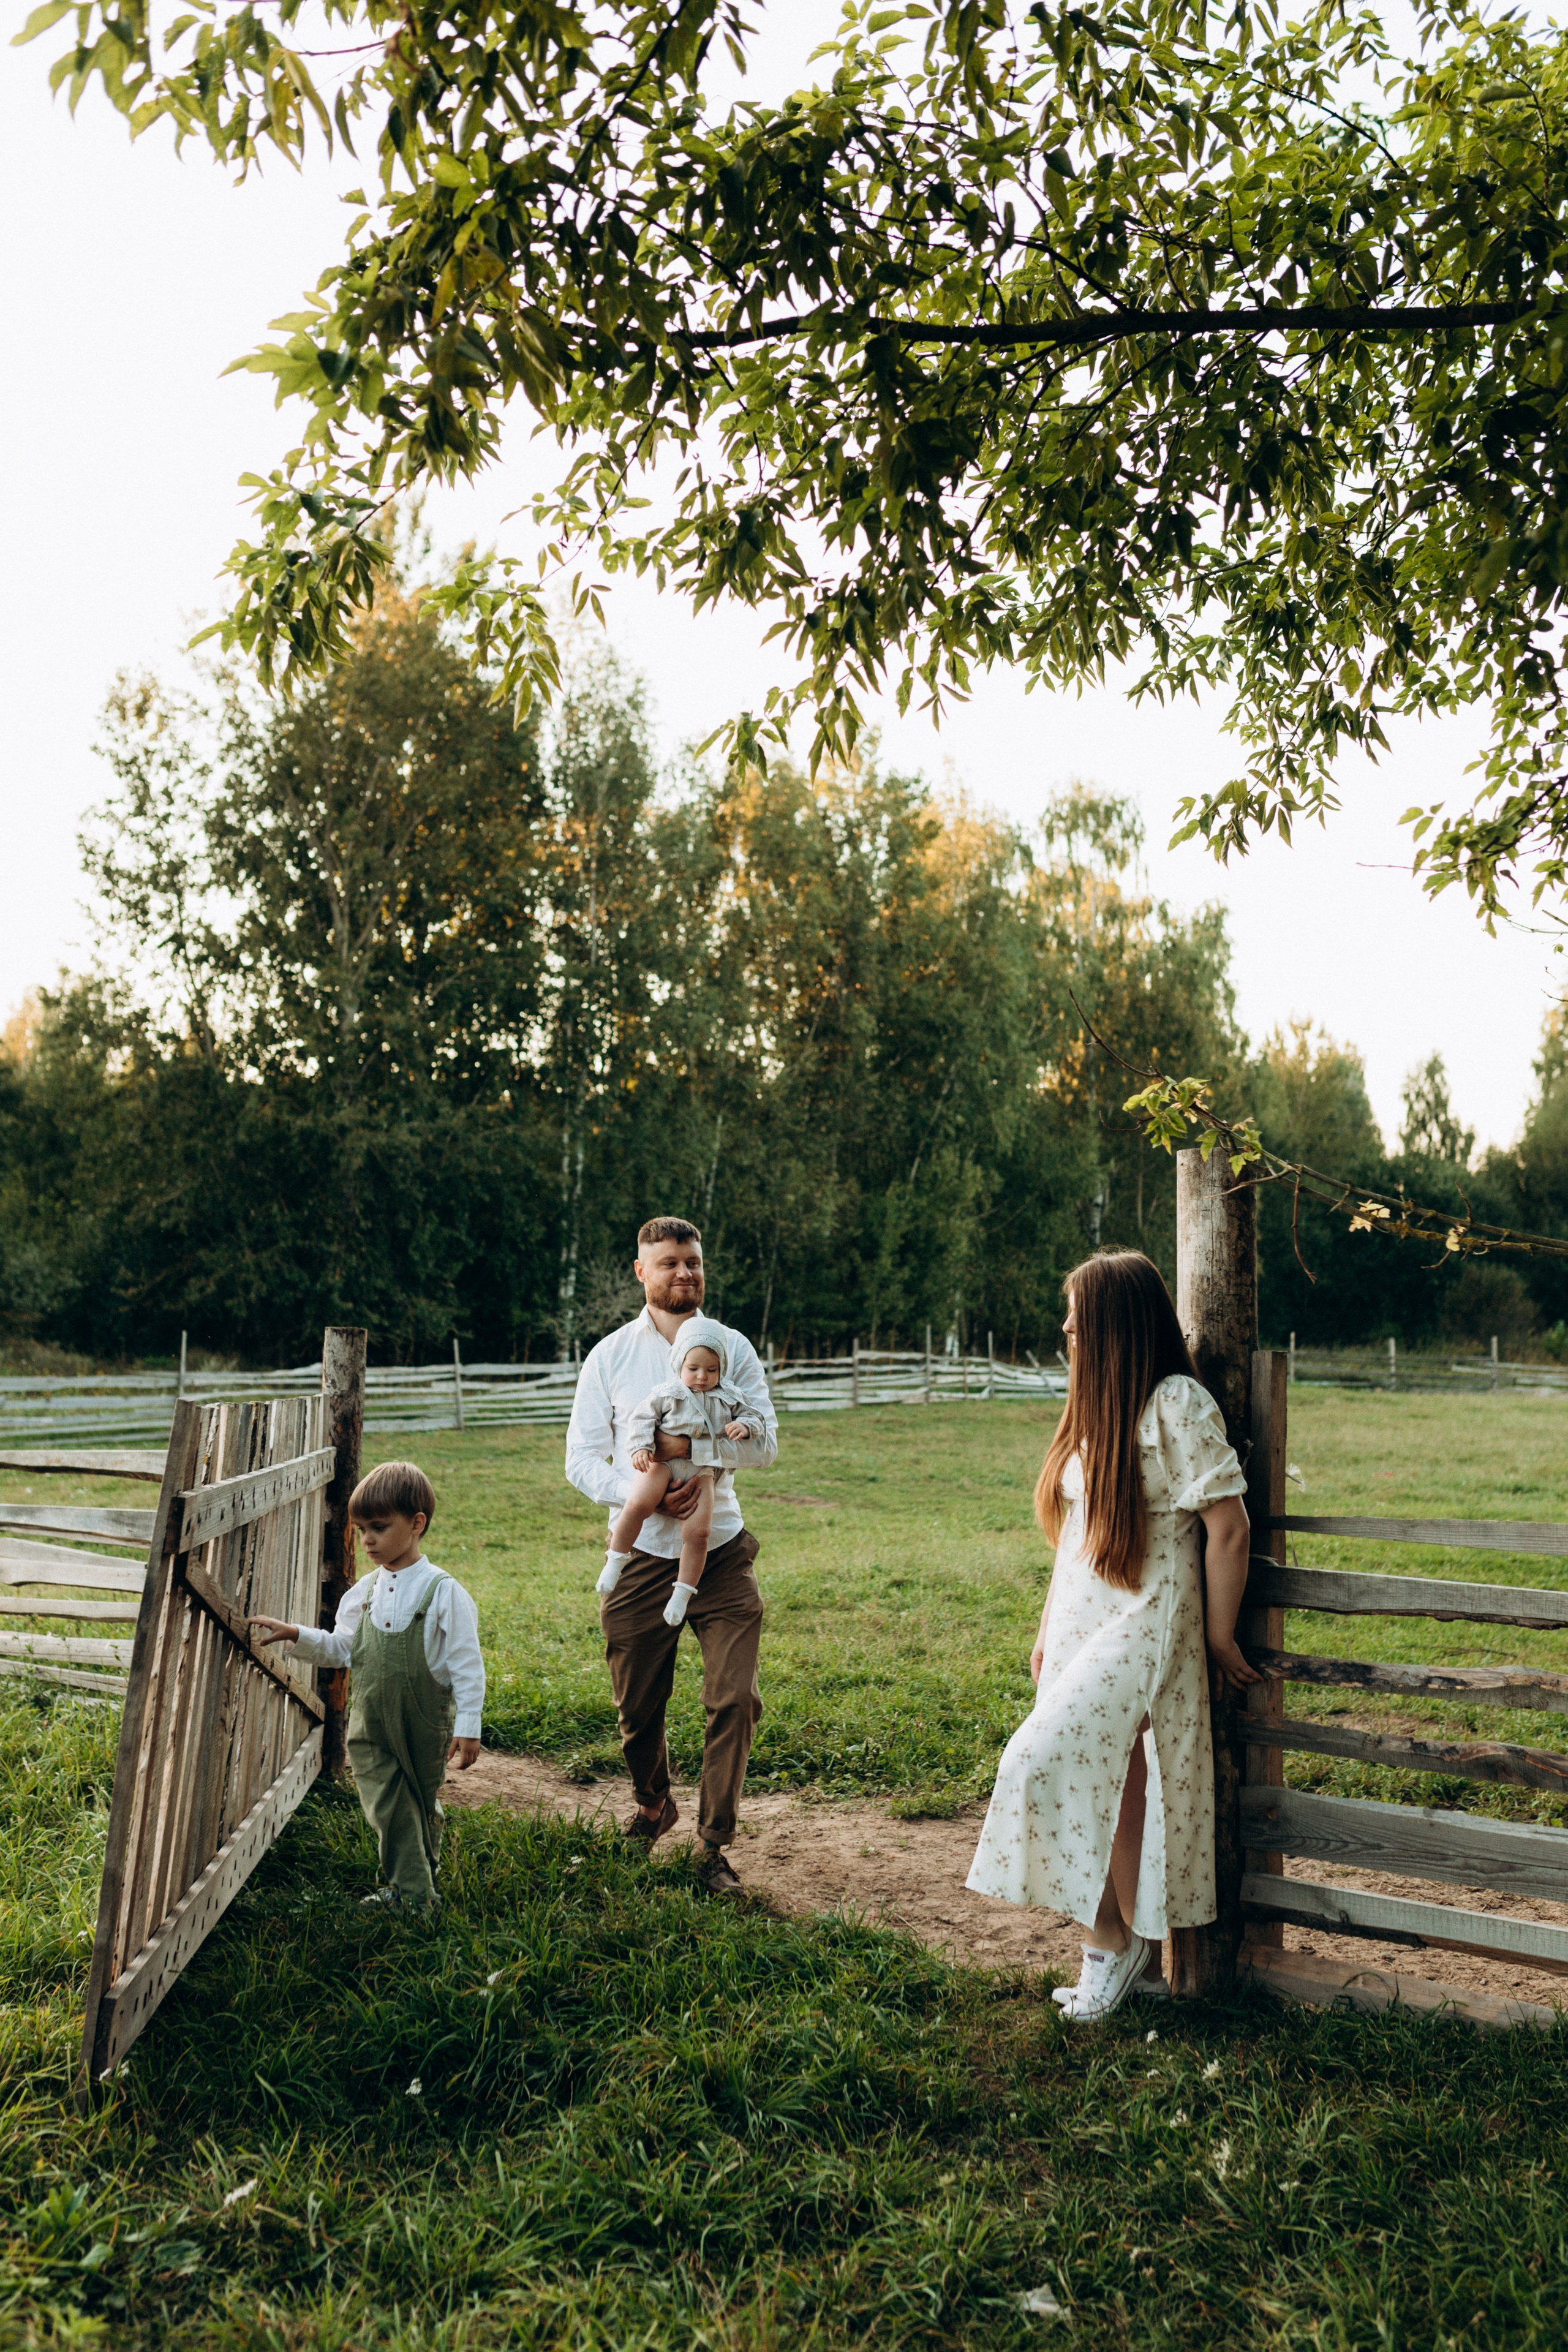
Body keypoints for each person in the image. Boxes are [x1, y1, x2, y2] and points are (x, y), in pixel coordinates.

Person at [965, 1249, 1258, 2019]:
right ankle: (1124, 1952)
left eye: (1077, 1315)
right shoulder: (1097, 1407)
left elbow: (1228, 1528)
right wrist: (1044, 1629)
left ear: (1115, 1323)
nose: (1065, 1326)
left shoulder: (1176, 1406)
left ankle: (1111, 1945)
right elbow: (1077, 1539)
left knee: (1036, 1759)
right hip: (1081, 1623)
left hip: (1144, 1622)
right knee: (1108, 1784)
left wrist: (1220, 1638)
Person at [565, 1216, 778, 1896]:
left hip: (718, 1550)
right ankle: (654, 1803)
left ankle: (712, 1846)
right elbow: (579, 1460)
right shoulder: (609, 1357)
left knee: (734, 1698)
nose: (684, 1272)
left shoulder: (734, 1348)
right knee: (636, 1707)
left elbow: (765, 1442)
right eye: (668, 1262)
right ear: (641, 1272)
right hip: (639, 1561)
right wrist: (647, 1497)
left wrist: (690, 1455)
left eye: (692, 1261)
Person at [251, 1460, 484, 1910]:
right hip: (371, 1720)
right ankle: (416, 1898)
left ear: (417, 1524)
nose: (368, 1540)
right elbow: (342, 1647)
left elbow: (466, 1664)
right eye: (362, 1530)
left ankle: (420, 1875)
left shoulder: (443, 1592)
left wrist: (469, 1725)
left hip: (423, 1720)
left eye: (379, 1527)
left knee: (417, 1798)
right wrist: (297, 1635)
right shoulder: (365, 1591)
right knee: (388, 1803)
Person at [600, 1314, 765, 1626]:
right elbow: (641, 1420)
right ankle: (616, 1559)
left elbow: (758, 1420)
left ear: (722, 1369)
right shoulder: (666, 1393)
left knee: (699, 1533)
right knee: (637, 1504)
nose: (702, 1377)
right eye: (694, 1369)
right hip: (662, 1464)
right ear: (679, 1365)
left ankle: (684, 1591)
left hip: (702, 1471)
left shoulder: (729, 1396)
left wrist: (744, 1425)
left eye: (712, 1370)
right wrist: (641, 1447)